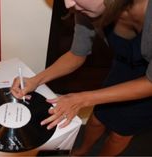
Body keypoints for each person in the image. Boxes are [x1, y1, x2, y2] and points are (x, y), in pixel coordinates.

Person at [11, 0, 152, 156]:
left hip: (147, 85)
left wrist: (82, 99)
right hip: (123, 66)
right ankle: (81, 150)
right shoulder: (85, 10)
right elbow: (76, 54)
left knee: (119, 135)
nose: (68, 4)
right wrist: (36, 80)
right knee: (96, 119)